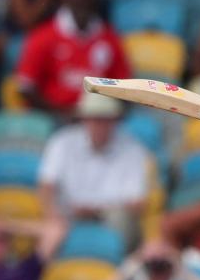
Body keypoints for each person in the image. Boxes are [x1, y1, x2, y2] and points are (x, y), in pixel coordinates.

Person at [38, 91, 150, 248]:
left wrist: (97, 210)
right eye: (94, 119)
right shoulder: (62, 142)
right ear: (83, 119)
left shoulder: (133, 149)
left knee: (122, 220)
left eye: (105, 119)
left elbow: (137, 202)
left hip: (109, 217)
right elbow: (47, 186)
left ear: (115, 121)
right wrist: (53, 215)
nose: (99, 125)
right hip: (68, 214)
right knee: (52, 226)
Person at [15, 0, 131, 116]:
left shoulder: (109, 38)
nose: (86, 1)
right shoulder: (43, 36)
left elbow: (124, 87)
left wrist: (102, 116)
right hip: (54, 118)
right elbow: (26, 87)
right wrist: (61, 114)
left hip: (98, 120)